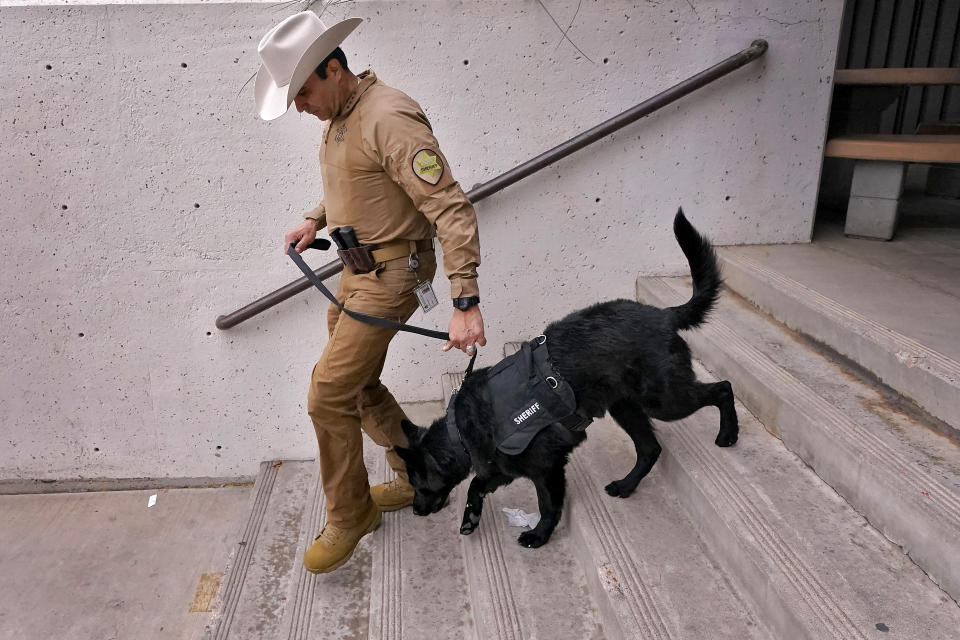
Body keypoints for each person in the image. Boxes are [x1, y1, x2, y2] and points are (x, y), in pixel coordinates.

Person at [255, 11, 485, 573]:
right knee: (356, 388)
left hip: (393, 277)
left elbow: (450, 209)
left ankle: (350, 514)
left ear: (335, 69)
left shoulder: (391, 117)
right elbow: (355, 183)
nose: (301, 106)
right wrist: (315, 218)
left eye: (304, 92)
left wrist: (464, 301)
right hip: (356, 273)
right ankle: (417, 475)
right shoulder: (340, 118)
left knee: (326, 395)